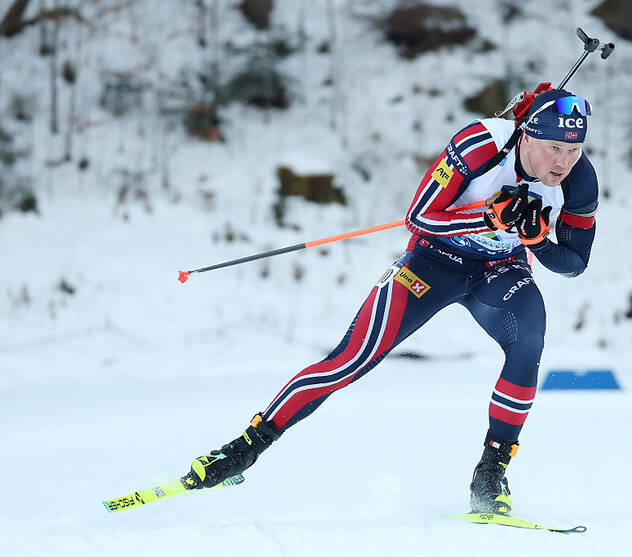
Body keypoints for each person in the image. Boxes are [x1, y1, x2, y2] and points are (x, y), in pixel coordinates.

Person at [182, 88, 599, 515]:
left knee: (529, 339)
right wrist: (485, 215)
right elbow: (418, 216)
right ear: (527, 135)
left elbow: (573, 263)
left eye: (574, 150)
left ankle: (491, 473)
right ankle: (245, 447)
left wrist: (537, 241)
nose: (563, 162)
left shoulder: (580, 180)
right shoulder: (482, 143)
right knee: (351, 358)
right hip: (433, 263)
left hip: (500, 268)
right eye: (553, 148)